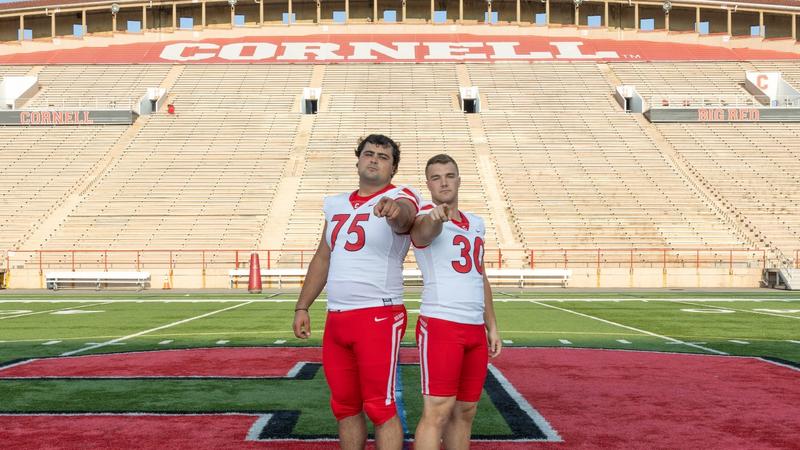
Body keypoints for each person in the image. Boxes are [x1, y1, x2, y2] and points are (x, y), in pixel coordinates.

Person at [292, 134, 420, 450]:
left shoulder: (402, 196)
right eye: (368, 153)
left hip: (378, 312)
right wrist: (302, 306)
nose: (374, 159)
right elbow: (323, 256)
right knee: (344, 405)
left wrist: (394, 210)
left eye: (383, 156)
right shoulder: (335, 204)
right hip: (337, 316)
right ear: (358, 160)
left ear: (393, 169)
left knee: (380, 405)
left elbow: (406, 217)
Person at [410, 154, 502, 450]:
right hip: (441, 324)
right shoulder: (425, 215)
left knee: (466, 411)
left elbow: (480, 276)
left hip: (474, 327)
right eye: (436, 177)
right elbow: (424, 232)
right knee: (437, 410)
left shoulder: (476, 223)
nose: (444, 182)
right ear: (428, 184)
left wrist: (492, 326)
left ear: (459, 180)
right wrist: (436, 219)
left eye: (449, 175)